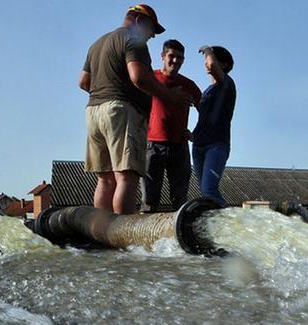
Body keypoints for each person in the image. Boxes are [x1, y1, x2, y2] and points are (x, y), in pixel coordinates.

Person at [79, 4, 192, 214]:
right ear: (140, 21)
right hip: (121, 111)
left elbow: (84, 82)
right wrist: (170, 95)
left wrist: (107, 91)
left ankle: (103, 238)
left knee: (105, 179)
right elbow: (138, 77)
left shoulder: (98, 43)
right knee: (126, 177)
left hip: (94, 111)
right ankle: (124, 243)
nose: (151, 36)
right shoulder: (134, 40)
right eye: (151, 30)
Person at [142, 39, 202, 212]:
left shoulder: (189, 85)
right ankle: (146, 235)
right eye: (171, 56)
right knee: (149, 198)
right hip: (151, 144)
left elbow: (205, 112)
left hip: (179, 146)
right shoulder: (149, 78)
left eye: (180, 58)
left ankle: (179, 234)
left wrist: (195, 134)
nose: (175, 61)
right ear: (162, 56)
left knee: (180, 198)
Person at [192, 46, 236, 206]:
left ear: (223, 65)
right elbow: (204, 118)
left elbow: (211, 65)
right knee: (205, 193)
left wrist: (208, 50)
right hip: (198, 146)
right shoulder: (208, 91)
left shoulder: (227, 84)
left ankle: (230, 224)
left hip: (216, 145)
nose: (206, 63)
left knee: (209, 190)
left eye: (211, 58)